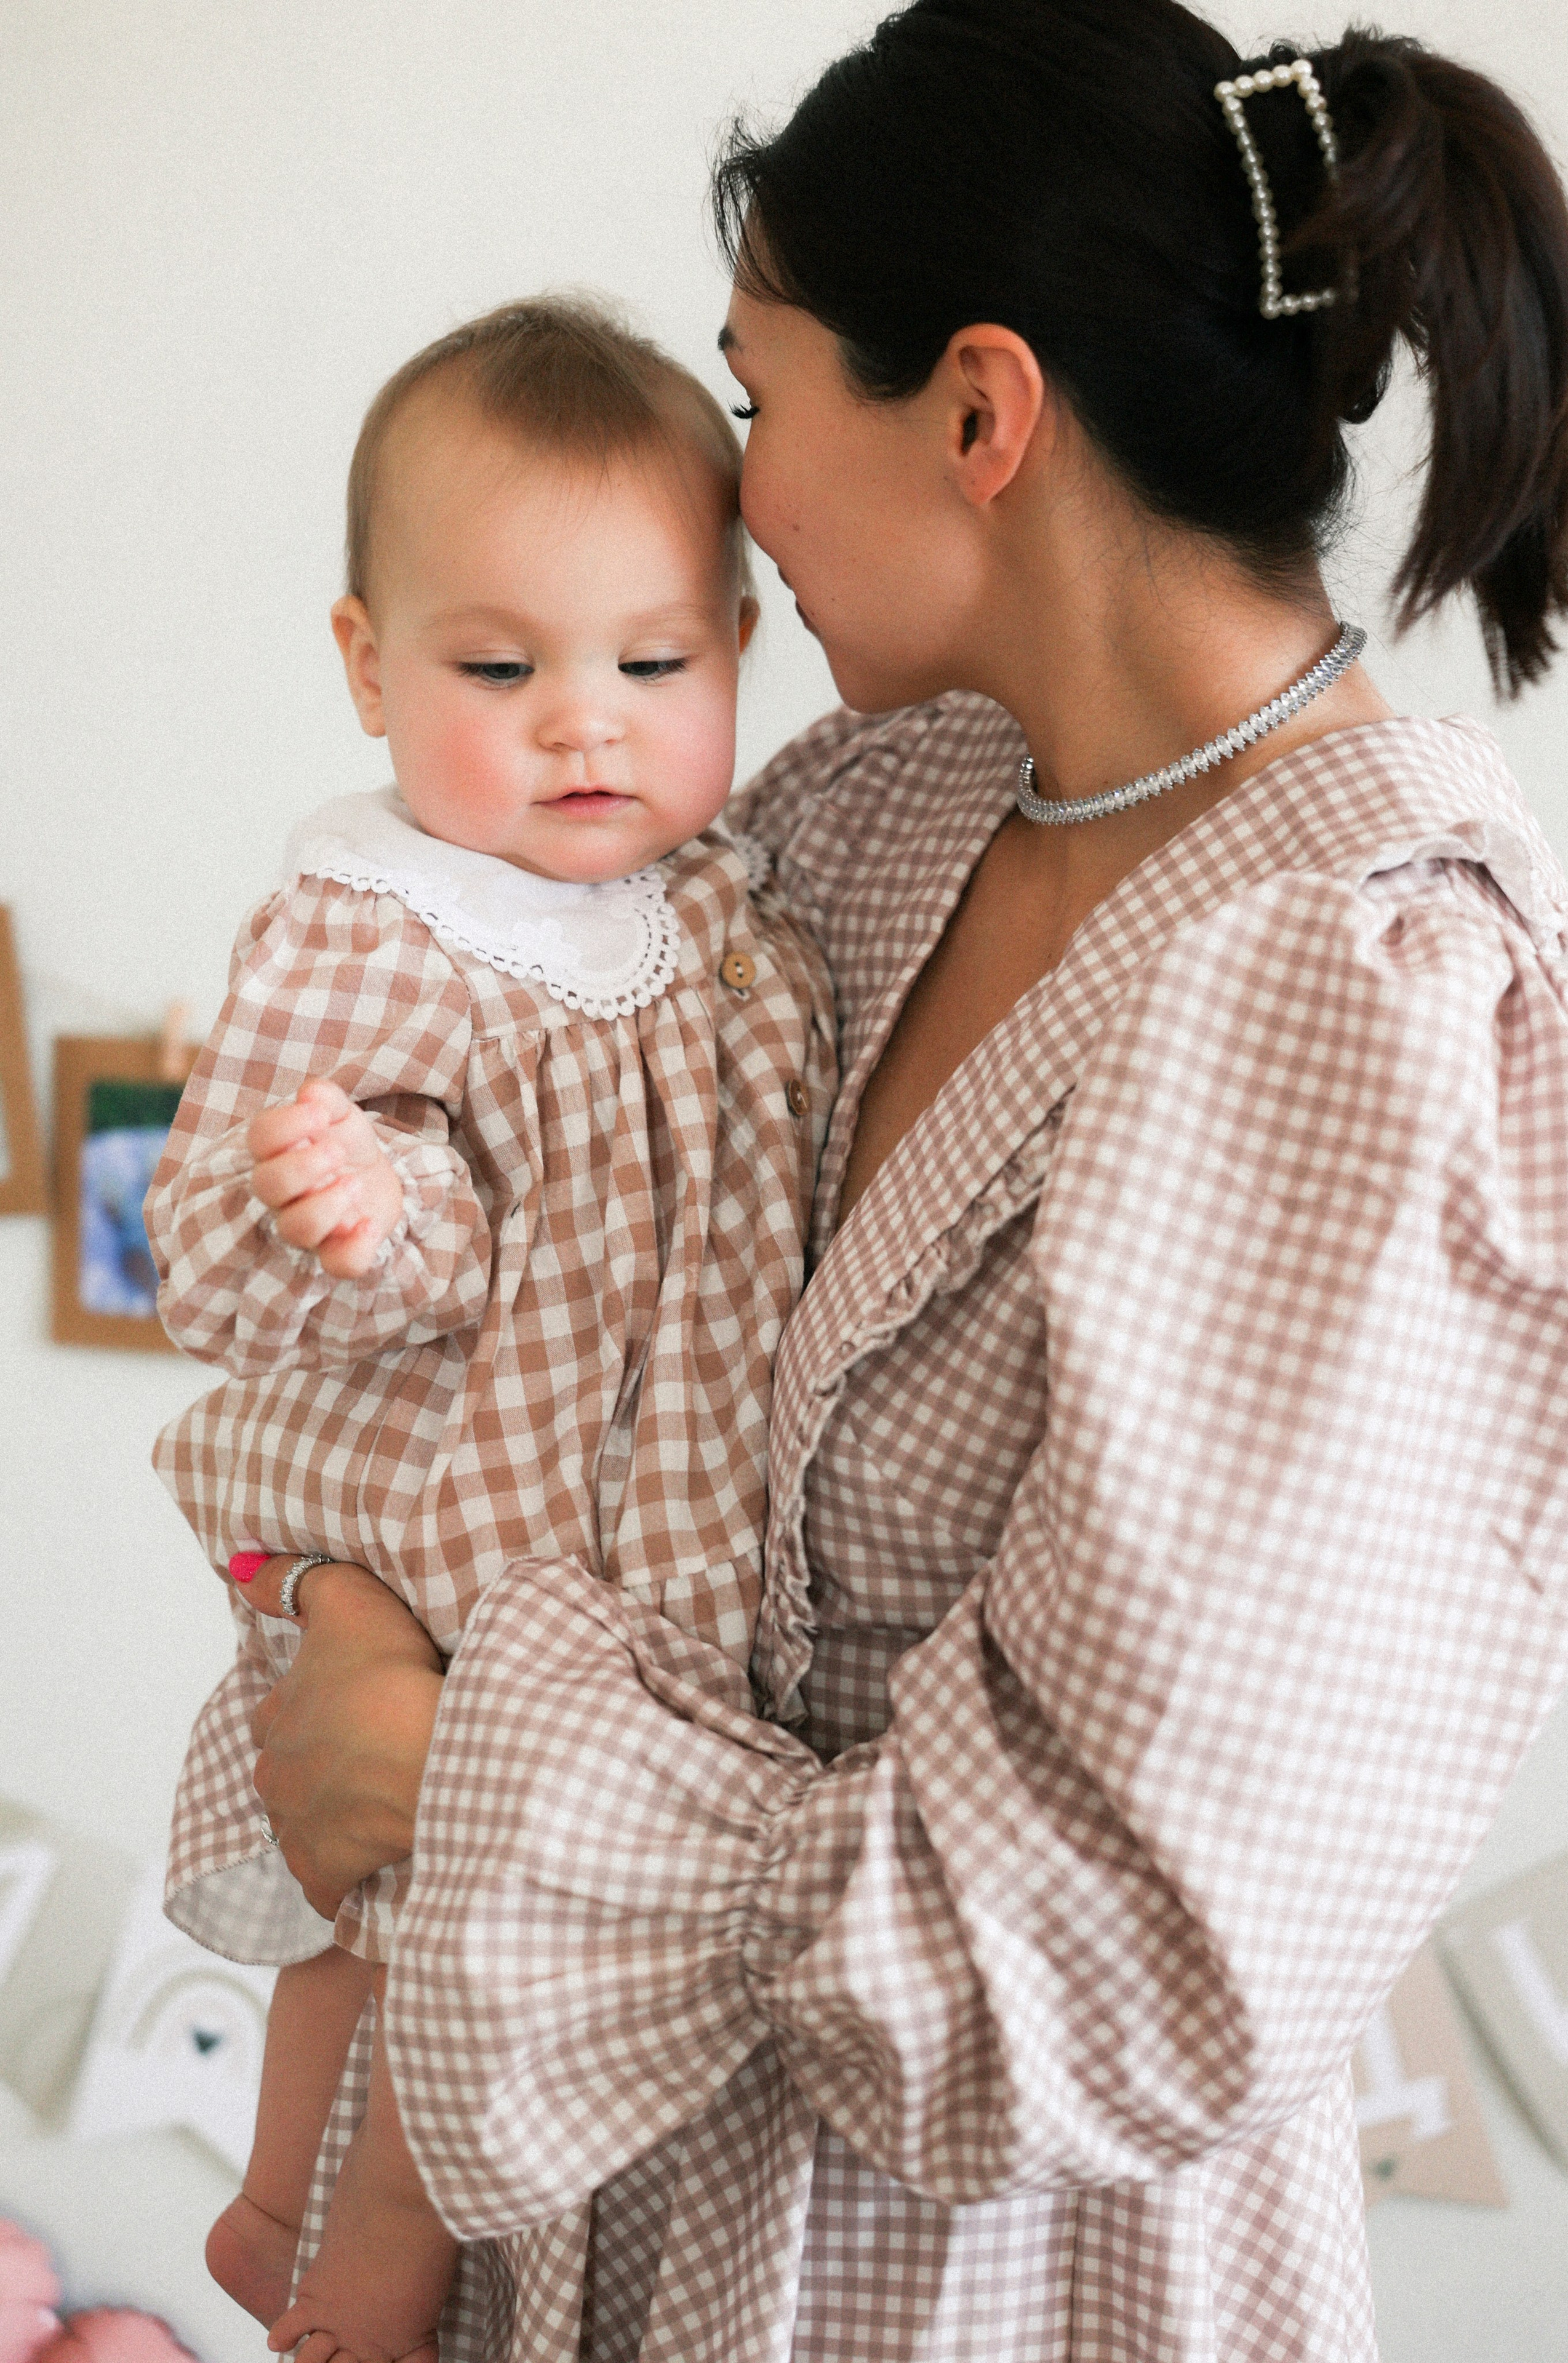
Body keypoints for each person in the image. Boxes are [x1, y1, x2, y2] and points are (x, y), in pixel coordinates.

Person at [229, 5, 1568, 2358]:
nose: (733, 500)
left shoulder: (1358, 994)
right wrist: (340, 1587)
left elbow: (1113, 1967)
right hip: (590, 2218)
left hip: (985, 2290)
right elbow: (534, 1304)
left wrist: (468, 1768)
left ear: (977, 414)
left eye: (755, 401)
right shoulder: (866, 822)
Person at [145, 296, 834, 2363]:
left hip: (639, 1523)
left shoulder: (724, 905)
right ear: (369, 666)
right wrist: (361, 1206)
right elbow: (240, 1239)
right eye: (499, 669)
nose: (583, 726)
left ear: (739, 645)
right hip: (468, 1515)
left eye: (655, 665)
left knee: (429, 1907)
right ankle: (338, 2249)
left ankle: (276, 2213)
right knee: (408, 1904)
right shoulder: (381, 927)